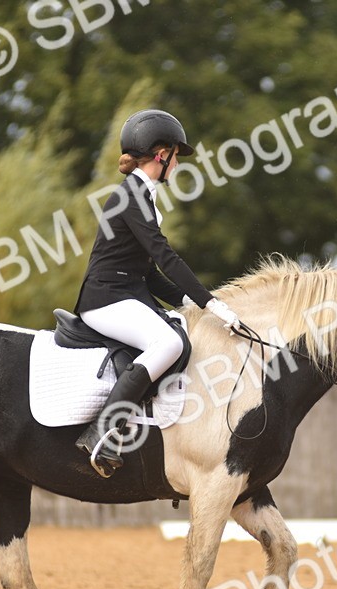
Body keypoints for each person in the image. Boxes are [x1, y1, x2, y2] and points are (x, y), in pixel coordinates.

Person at [73, 108, 241, 476]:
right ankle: (103, 430)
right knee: (169, 343)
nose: (177, 164)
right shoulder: (131, 196)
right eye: (176, 156)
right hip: (105, 299)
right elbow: (165, 257)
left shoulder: (142, 197)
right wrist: (211, 303)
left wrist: (189, 302)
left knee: (179, 330)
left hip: (126, 293)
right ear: (161, 155)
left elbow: (149, 275)